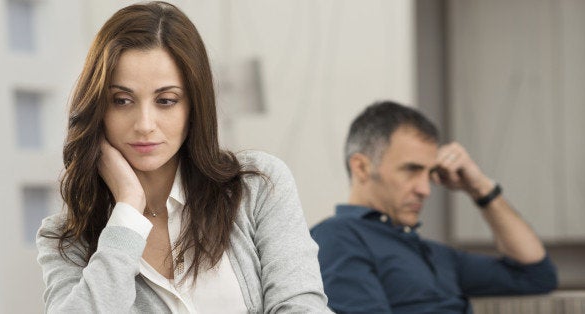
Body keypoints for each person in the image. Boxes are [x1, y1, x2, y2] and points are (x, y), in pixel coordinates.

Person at [36, 2, 331, 313]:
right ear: (99, 108)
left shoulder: (258, 186)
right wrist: (128, 210)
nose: (145, 124)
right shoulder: (67, 238)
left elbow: (301, 307)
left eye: (166, 100)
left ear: (193, 106)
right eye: (122, 100)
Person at [310, 101, 557, 313]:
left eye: (430, 173)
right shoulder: (337, 237)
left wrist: (480, 188)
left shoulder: (434, 254)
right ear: (361, 167)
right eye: (411, 170)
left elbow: (535, 275)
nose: (425, 189)